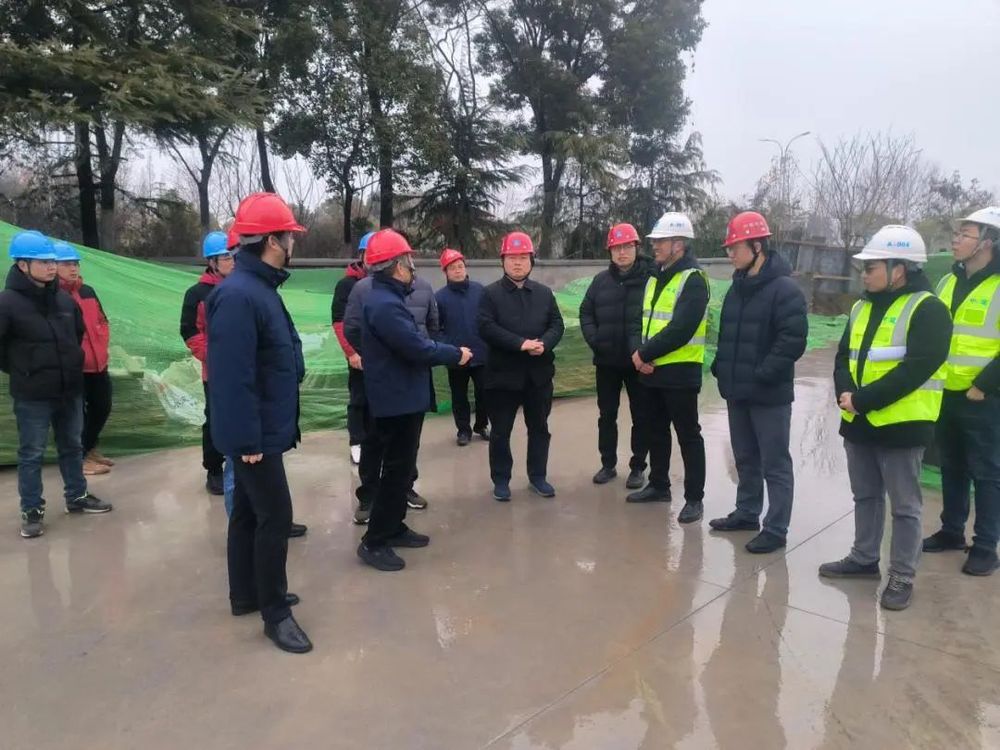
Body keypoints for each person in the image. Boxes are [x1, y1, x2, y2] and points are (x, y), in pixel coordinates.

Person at [820, 225, 951, 611]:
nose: (864, 274)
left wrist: (862, 400)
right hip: (858, 420)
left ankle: (902, 575)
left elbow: (916, 369)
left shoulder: (928, 309)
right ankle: (864, 558)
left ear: (899, 269)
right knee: (865, 495)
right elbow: (844, 356)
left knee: (905, 506)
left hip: (902, 425)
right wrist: (846, 394)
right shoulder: (861, 307)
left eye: (871, 267)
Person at [207, 192, 311, 654]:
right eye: (290, 235)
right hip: (256, 434)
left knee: (249, 513)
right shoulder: (239, 295)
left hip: (262, 426)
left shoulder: (258, 288)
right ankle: (275, 613)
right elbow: (233, 378)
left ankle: (246, 594)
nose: (293, 242)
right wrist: (248, 440)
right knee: (275, 517)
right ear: (272, 240)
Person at [355, 229, 471, 571]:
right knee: (395, 471)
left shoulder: (388, 299)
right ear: (395, 266)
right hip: (396, 400)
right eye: (408, 262)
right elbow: (416, 347)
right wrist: (455, 354)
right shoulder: (384, 305)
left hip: (403, 396)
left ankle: (394, 527)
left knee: (401, 468)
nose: (413, 269)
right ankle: (374, 541)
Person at [0, 231, 112, 539]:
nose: (52, 267)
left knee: (72, 446)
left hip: (69, 389)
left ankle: (77, 496)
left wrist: (72, 364)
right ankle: (32, 510)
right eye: (43, 262)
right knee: (32, 452)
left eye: (52, 262)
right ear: (22, 265)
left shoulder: (63, 300)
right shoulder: (7, 303)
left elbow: (76, 336)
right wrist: (23, 370)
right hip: (33, 394)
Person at [708, 211, 808, 554]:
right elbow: (728, 336)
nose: (730, 254)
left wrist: (762, 374)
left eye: (735, 247)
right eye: (729, 248)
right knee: (746, 457)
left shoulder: (785, 290)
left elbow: (792, 341)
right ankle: (747, 512)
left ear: (757, 246)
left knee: (774, 463)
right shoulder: (737, 288)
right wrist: (721, 367)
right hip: (737, 391)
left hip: (769, 395)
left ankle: (776, 528)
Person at [923, 206, 1000, 576]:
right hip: (946, 392)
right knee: (952, 465)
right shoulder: (948, 282)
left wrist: (983, 385)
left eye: (964, 234)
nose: (955, 240)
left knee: (987, 473)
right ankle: (952, 530)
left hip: (984, 397)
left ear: (987, 242)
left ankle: (985, 546)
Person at [344, 251, 440, 520]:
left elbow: (433, 325)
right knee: (374, 439)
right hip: (381, 378)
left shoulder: (423, 287)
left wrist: (420, 352)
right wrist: (380, 357)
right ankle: (369, 495)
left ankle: (404, 488)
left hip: (415, 374)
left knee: (409, 439)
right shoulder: (365, 289)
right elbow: (352, 327)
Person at [628, 213, 709, 524]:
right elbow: (642, 320)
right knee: (656, 430)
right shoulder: (654, 277)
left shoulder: (693, 280)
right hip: (651, 370)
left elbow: (681, 329)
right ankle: (659, 485)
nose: (655, 246)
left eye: (660, 241)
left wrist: (643, 353)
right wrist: (640, 353)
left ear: (679, 244)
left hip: (680, 372)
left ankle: (694, 498)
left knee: (688, 435)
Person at [478, 231, 565, 501]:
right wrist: (520, 344)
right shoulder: (490, 294)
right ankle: (501, 480)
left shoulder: (544, 293)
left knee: (539, 428)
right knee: (501, 431)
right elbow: (486, 327)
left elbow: (557, 324)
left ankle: (538, 476)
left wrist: (545, 343)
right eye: (512, 257)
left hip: (538, 376)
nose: (518, 263)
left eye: (523, 257)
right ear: (503, 261)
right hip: (502, 377)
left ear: (531, 261)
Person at [579, 223, 652, 490]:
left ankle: (638, 467)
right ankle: (608, 464)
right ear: (609, 251)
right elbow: (586, 312)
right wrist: (596, 340)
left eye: (627, 246)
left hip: (639, 362)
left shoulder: (650, 278)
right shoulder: (601, 281)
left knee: (641, 416)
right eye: (616, 248)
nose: (622, 252)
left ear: (636, 247)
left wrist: (647, 351)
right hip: (607, 362)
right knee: (606, 415)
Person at [180, 231, 234, 495]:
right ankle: (214, 469)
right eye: (226, 257)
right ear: (212, 262)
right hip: (215, 371)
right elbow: (190, 331)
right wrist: (214, 357)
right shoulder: (197, 294)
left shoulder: (240, 288)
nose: (232, 262)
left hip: (245, 368)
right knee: (215, 419)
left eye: (234, 256)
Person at [54, 241, 114, 477]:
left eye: (76, 264)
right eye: (67, 264)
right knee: (76, 415)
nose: (73, 268)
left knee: (102, 406)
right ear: (54, 266)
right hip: (74, 367)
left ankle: (89, 448)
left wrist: (101, 346)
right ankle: (79, 457)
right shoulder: (53, 296)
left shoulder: (87, 291)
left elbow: (102, 321)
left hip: (98, 363)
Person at [436, 247, 490, 446]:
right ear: (446, 272)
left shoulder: (480, 291)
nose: (457, 271)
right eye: (452, 268)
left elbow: (489, 319)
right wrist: (451, 350)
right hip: (456, 356)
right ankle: (463, 430)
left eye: (460, 266)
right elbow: (436, 329)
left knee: (484, 392)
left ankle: (481, 425)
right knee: (459, 396)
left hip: (481, 352)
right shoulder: (439, 297)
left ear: (465, 268)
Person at [331, 231, 373, 466]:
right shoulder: (346, 285)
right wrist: (351, 352)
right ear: (361, 255)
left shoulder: (388, 282)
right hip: (359, 354)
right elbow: (339, 322)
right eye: (370, 253)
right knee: (359, 399)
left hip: (383, 354)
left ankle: (376, 442)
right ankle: (356, 441)